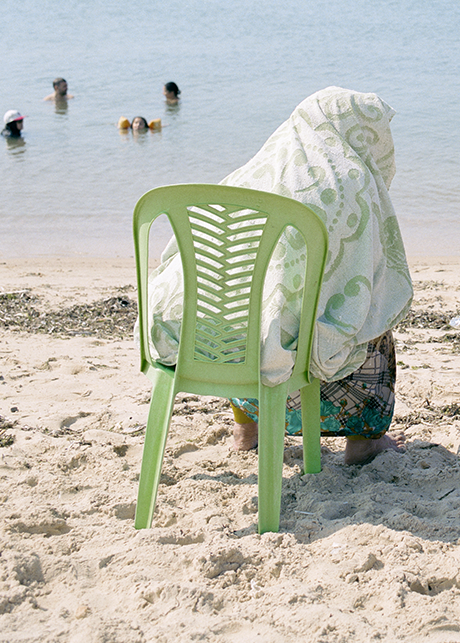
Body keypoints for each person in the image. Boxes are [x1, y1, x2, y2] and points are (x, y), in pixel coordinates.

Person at [145, 87, 413, 465]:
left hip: (215, 343)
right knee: (374, 308)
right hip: (297, 355)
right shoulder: (351, 179)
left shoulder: (253, 172)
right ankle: (363, 442)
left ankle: (246, 429)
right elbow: (371, 272)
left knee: (242, 302)